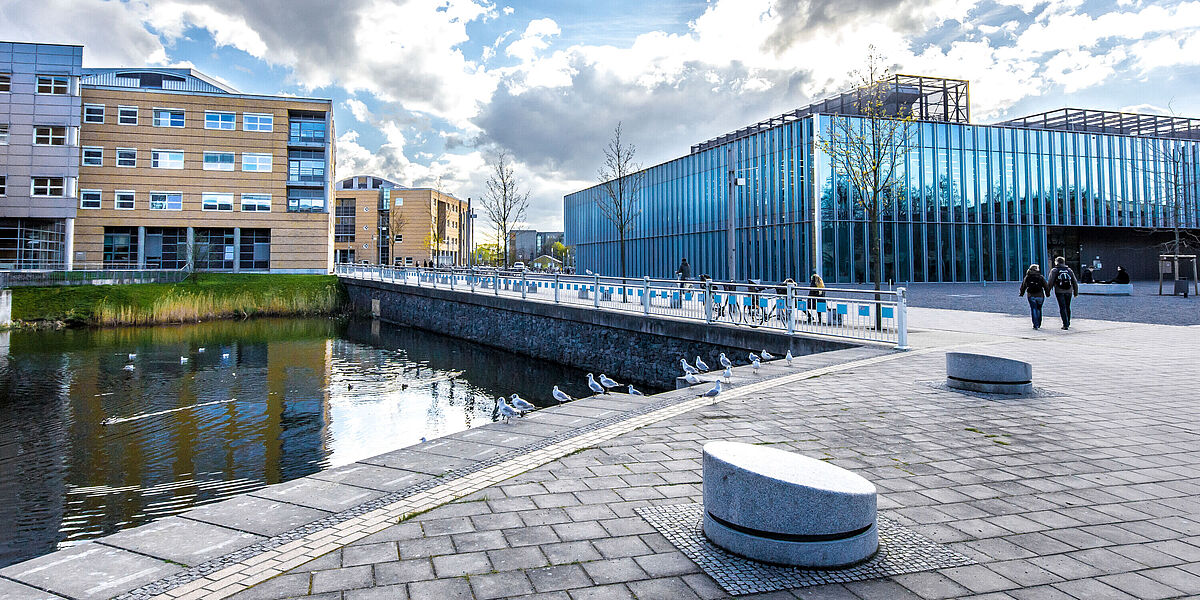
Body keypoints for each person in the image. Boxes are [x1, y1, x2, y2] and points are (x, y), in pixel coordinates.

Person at [1047, 256, 1079, 330]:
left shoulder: (1054, 270)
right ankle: (1068, 322)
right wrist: (1075, 292)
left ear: (1056, 262)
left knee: (1062, 307)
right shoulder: (1069, 270)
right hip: (1069, 291)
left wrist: (1047, 292)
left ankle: (1065, 324)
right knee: (1068, 306)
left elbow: (1050, 282)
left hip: (1059, 291)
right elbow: (1074, 282)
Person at [1018, 263, 1051, 329]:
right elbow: (1046, 286)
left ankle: (1035, 324)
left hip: (1031, 295)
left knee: (1033, 309)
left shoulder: (1027, 277)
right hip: (1040, 295)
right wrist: (1047, 294)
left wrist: (1021, 293)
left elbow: (1023, 286)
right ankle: (1039, 323)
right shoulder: (1040, 277)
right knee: (1039, 309)